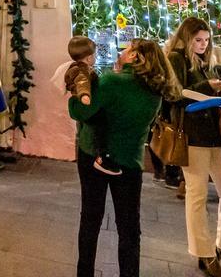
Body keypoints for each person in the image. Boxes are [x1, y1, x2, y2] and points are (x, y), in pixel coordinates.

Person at [69, 39, 180, 277]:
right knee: (129, 227)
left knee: (91, 217)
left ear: (135, 57)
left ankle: (84, 272)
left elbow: (80, 111)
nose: (122, 52)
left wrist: (74, 96)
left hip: (94, 155)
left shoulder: (112, 82)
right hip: (130, 161)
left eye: (127, 49)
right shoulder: (154, 91)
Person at [166, 17, 221, 277]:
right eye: (198, 40)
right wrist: (207, 87)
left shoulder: (208, 60)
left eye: (206, 40)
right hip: (192, 135)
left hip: (215, 134)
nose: (203, 45)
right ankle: (204, 254)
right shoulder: (177, 58)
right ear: (187, 38)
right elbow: (176, 94)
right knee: (197, 194)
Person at [64, 36, 120, 174]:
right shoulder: (81, 69)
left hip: (89, 107)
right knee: (101, 128)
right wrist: (84, 95)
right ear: (89, 58)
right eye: (94, 55)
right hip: (89, 106)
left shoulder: (79, 67)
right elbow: (82, 82)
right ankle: (103, 158)